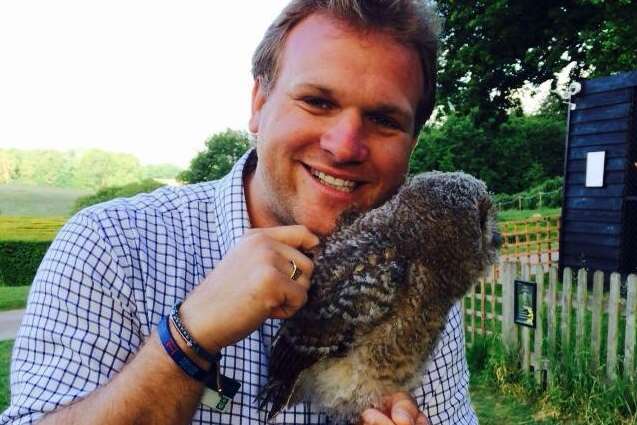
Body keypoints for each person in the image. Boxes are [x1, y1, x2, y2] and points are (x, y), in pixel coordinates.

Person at [1, 1, 477, 424]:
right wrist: (187, 337)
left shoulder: (422, 274)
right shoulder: (113, 245)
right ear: (258, 104)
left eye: (383, 119)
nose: (345, 145)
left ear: (412, 142)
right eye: (317, 101)